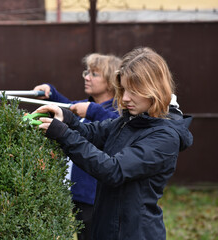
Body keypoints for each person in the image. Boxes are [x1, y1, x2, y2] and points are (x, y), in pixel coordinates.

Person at [33, 47, 193, 240]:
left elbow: (113, 170)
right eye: (123, 89)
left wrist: (63, 134)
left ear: (155, 89)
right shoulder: (131, 120)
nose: (125, 98)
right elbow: (92, 132)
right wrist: (66, 118)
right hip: (106, 229)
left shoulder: (164, 137)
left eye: (133, 91)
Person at [33, 53, 122, 240]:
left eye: (94, 74)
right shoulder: (86, 106)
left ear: (111, 81)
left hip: (93, 197)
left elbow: (115, 126)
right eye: (86, 72)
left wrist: (92, 110)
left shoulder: (116, 112)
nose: (87, 77)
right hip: (76, 193)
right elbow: (66, 108)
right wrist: (51, 91)